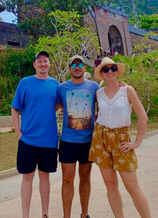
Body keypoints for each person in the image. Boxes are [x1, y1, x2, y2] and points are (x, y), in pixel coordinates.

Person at [89, 57, 151, 218]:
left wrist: (137, 142)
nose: (110, 71)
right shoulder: (98, 93)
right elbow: (102, 113)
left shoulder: (127, 90)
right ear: (101, 73)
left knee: (132, 186)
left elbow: (142, 116)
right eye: (105, 69)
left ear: (117, 71)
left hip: (121, 138)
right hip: (101, 139)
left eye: (113, 68)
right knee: (110, 184)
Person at [11, 50, 59, 218]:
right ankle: (26, 215)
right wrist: (18, 133)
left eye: (45, 61)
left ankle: (45, 214)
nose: (42, 64)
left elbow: (59, 104)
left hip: (49, 140)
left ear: (49, 64)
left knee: (45, 177)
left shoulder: (55, 84)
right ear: (34, 64)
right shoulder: (25, 83)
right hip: (28, 140)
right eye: (39, 61)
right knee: (27, 178)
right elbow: (15, 108)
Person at [56, 55, 100, 218]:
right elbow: (52, 107)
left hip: (88, 141)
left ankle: (84, 215)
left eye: (80, 64)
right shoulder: (61, 88)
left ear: (85, 68)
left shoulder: (94, 86)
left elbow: (104, 103)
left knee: (85, 177)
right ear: (69, 69)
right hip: (68, 141)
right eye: (73, 65)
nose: (77, 67)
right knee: (67, 179)